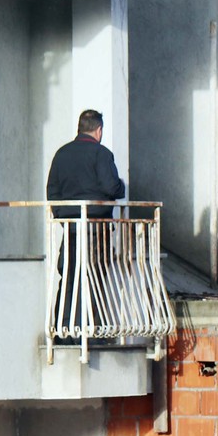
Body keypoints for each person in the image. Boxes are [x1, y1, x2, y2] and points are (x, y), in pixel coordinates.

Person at [46, 109, 125, 341]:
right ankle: (91, 334)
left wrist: (63, 216)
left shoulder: (61, 154)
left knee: (69, 276)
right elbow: (113, 188)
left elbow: (53, 192)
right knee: (94, 278)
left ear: (80, 127)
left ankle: (64, 333)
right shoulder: (101, 154)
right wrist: (121, 186)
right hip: (96, 229)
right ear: (98, 130)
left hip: (70, 229)